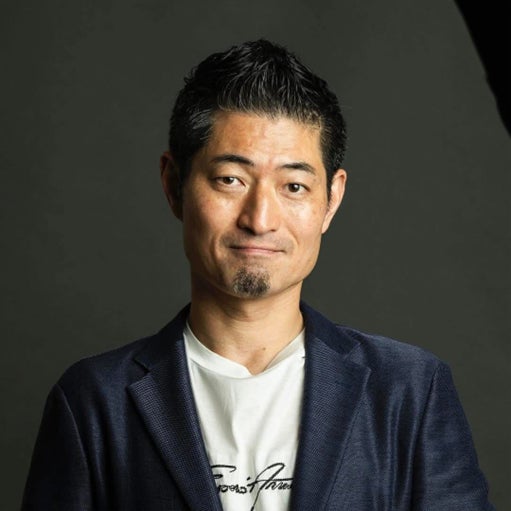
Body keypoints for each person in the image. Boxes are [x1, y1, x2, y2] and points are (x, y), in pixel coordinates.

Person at [22, 39, 494, 511]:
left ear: (331, 200)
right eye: (231, 179)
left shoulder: (409, 391)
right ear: (173, 185)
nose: (260, 219)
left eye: (294, 186)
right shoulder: (93, 402)